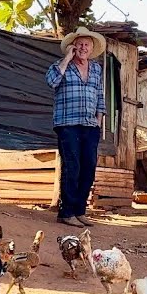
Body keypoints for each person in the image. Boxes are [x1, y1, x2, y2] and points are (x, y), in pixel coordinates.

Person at [46, 27, 106, 228]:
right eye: (79, 44)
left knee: (88, 168)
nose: (83, 48)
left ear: (91, 48)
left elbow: (100, 95)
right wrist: (66, 58)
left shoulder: (96, 69)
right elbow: (51, 82)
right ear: (73, 46)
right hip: (67, 124)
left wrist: (98, 121)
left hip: (90, 125)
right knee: (72, 167)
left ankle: (80, 211)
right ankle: (66, 212)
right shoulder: (60, 66)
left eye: (86, 45)